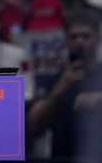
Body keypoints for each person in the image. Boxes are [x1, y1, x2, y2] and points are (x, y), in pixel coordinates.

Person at [27, 10, 102, 162]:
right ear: (65, 40)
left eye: (86, 36)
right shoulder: (53, 79)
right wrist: (59, 91)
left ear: (98, 38)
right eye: (74, 37)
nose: (80, 42)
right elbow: (34, 128)